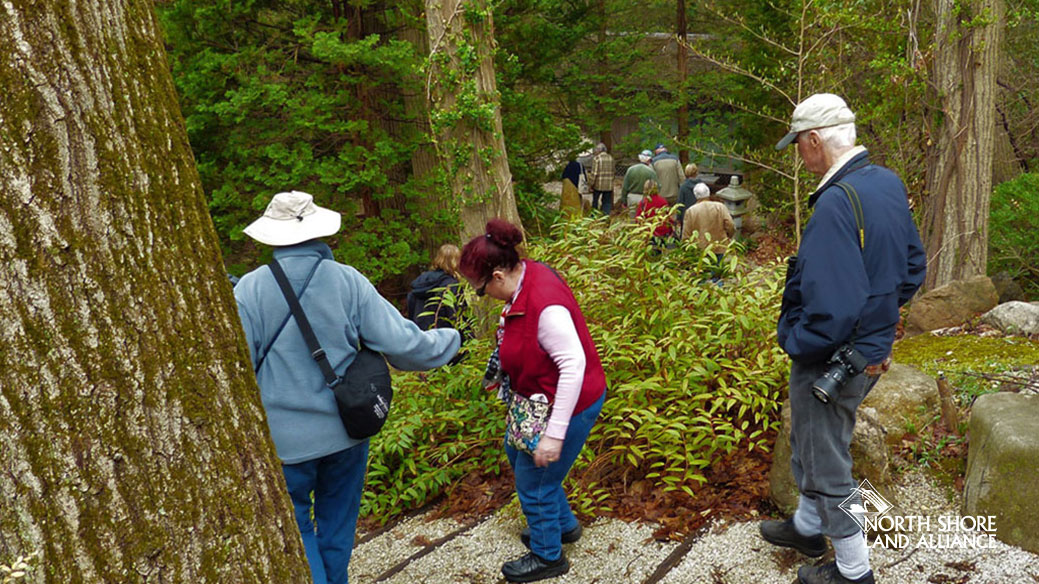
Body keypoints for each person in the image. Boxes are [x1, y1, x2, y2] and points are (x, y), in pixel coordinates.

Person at [235, 191, 460, 584]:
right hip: (346, 433)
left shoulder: (249, 291)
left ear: (271, 238)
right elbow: (404, 347)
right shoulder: (347, 281)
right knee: (337, 529)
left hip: (283, 445)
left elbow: (240, 371)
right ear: (319, 231)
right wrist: (452, 339)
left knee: (298, 531)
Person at [760, 94, 926, 584]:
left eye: (799, 146)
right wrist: (879, 327)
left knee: (827, 460)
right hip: (865, 351)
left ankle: (854, 570)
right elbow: (913, 267)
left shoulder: (835, 203)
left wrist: (793, 338)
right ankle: (808, 528)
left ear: (814, 141)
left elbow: (831, 308)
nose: (798, 155)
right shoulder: (885, 183)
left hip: (832, 357)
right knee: (812, 442)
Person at [459, 219, 606, 583]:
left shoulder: (545, 307)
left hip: (569, 403)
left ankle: (547, 555)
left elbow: (573, 367)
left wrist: (555, 435)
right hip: (538, 399)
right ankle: (563, 526)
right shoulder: (526, 277)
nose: (483, 297)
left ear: (496, 276)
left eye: (480, 290)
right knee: (520, 458)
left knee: (534, 481)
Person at [407, 243, 465, 331]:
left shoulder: (420, 283)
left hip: (420, 336)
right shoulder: (451, 285)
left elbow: (411, 309)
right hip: (443, 337)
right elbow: (456, 315)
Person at [682, 183, 735, 258]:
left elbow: (686, 234)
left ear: (695, 195)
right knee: (718, 267)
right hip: (719, 245)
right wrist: (728, 236)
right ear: (708, 193)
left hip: (699, 248)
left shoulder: (691, 211)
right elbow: (730, 224)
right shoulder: (720, 207)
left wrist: (686, 250)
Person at [620, 150, 658, 218]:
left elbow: (625, 187)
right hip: (645, 198)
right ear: (649, 160)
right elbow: (657, 186)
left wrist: (624, 201)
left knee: (632, 219)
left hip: (631, 197)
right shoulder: (651, 172)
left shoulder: (630, 169)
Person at [635, 180, 673, 247]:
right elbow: (668, 218)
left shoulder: (643, 203)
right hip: (663, 232)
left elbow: (638, 219)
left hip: (649, 233)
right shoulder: (663, 201)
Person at [587, 143, 615, 215]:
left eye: (596, 150)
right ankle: (605, 217)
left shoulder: (597, 159)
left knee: (595, 201)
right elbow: (613, 172)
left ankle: (594, 217)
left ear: (599, 150)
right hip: (608, 185)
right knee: (607, 202)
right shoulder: (611, 158)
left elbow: (594, 173)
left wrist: (590, 185)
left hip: (598, 185)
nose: (595, 151)